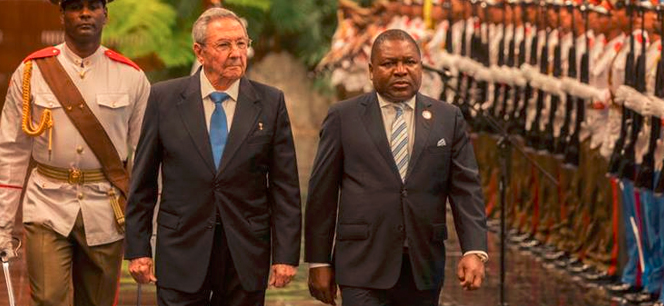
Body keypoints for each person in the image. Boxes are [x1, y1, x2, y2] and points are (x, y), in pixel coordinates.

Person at [124, 7, 302, 306]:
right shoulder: (164, 98)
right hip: (181, 249)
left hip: (245, 252)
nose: (236, 53)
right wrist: (139, 248)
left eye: (241, 43)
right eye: (224, 45)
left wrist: (285, 255)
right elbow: (142, 182)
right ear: (200, 52)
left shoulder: (270, 102)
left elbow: (285, 188)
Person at [305, 29, 489, 306]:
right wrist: (318, 261)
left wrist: (474, 249)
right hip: (361, 263)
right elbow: (322, 194)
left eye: (409, 62)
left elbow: (466, 189)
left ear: (421, 66)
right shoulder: (344, 117)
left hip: (423, 264)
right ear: (370, 70)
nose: (401, 71)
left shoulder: (447, 117)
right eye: (389, 64)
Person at [0, 0, 150, 305]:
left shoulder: (132, 76)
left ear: (106, 14)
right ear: (61, 15)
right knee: (48, 298)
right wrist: (3, 225)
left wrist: (146, 231)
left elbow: (146, 158)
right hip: (47, 202)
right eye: (75, 6)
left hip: (106, 207)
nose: (85, 13)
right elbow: (12, 150)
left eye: (93, 6)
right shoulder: (31, 72)